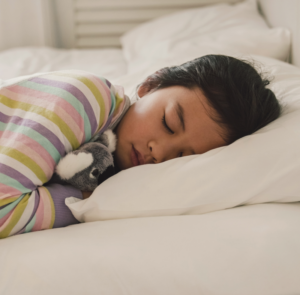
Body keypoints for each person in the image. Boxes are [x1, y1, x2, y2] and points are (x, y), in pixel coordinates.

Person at [0, 55, 281, 238]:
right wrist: (77, 198)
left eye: (183, 156)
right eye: (169, 123)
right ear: (151, 84)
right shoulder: (86, 99)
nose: (159, 152)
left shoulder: (112, 167)